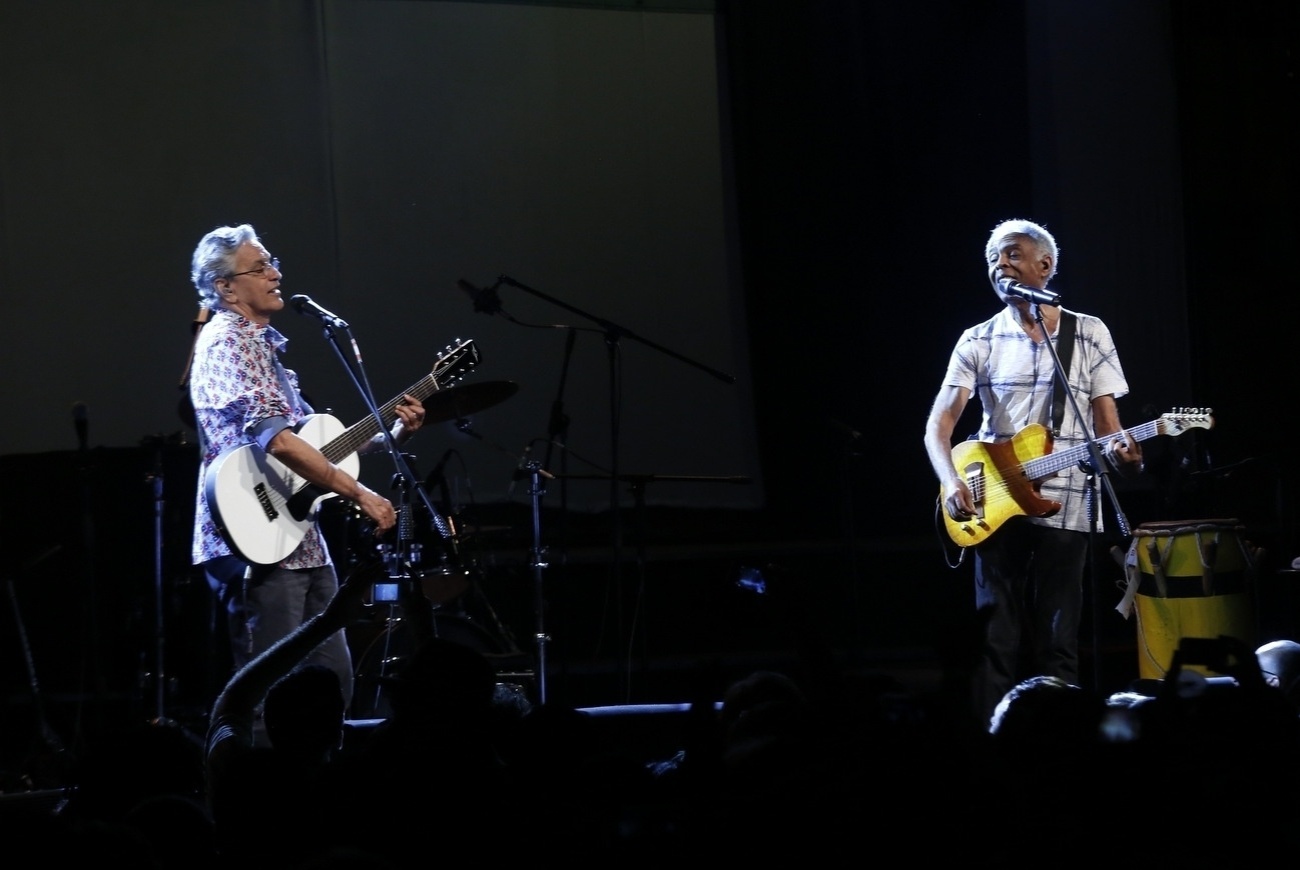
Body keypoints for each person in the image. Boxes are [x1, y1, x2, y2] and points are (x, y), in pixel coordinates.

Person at [188, 223, 427, 731]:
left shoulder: (263, 348)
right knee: (265, 694)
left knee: (332, 679)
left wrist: (397, 434)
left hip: (299, 537)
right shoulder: (229, 342)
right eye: (260, 267)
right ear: (226, 287)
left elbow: (323, 443)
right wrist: (361, 494)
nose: (276, 274)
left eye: (273, 263)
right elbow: (277, 440)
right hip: (254, 538)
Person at [923, 218, 1143, 731]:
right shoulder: (977, 339)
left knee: (1058, 640)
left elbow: (1110, 430)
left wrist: (1128, 454)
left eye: (1013, 254)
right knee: (996, 638)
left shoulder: (1088, 332)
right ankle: (992, 747)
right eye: (994, 259)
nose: (1000, 264)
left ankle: (1062, 743)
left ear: (1045, 266)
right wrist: (952, 481)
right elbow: (939, 426)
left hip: (1068, 503)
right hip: (992, 502)